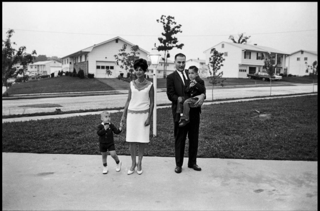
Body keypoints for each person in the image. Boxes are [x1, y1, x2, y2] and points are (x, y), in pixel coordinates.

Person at [166, 53, 206, 174]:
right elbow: (170, 94)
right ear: (175, 62)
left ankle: (192, 162)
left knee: (194, 138)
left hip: (194, 111)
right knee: (180, 138)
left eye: (183, 62)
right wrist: (178, 99)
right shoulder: (171, 77)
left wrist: (203, 96)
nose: (181, 64)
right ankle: (178, 164)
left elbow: (201, 89)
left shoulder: (192, 74)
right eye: (179, 62)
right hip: (180, 113)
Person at [120, 58, 154, 175]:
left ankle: (140, 162)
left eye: (141, 69)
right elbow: (128, 100)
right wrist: (123, 116)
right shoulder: (131, 84)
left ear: (145, 71)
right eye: (137, 69)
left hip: (143, 115)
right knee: (132, 140)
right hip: (131, 115)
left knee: (142, 140)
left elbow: (152, 103)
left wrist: (149, 117)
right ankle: (133, 163)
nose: (138, 72)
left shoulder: (150, 85)